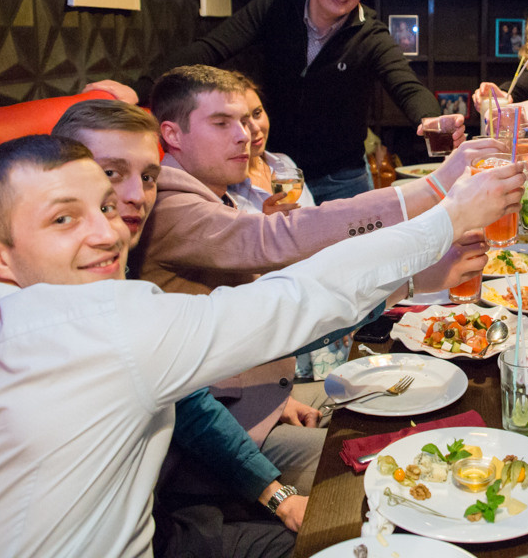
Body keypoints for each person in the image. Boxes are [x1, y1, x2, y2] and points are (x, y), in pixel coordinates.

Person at [0, 134, 521, 556]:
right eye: (63, 218)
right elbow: (297, 296)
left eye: (106, 206)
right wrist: (448, 216)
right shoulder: (106, 330)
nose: (109, 232)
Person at [0, 100, 311, 554]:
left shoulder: (110, 270)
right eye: (110, 175)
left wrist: (277, 496)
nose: (135, 196)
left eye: (148, 176)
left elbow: (187, 397)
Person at [136, 65, 497, 462]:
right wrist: (434, 192)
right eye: (221, 123)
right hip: (209, 444)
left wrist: (413, 281)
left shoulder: (212, 194)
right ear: (171, 134)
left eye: (245, 119)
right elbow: (282, 242)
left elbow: (290, 302)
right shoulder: (171, 205)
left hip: (263, 399)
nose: (244, 135)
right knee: (416, 456)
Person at [104, 0, 442, 204]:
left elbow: (405, 84)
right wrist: (137, 89)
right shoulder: (275, 8)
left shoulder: (371, 33)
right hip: (275, 173)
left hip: (342, 178)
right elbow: (210, 48)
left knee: (356, 274)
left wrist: (433, 120)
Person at [227, 72, 316, 214]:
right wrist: (267, 225)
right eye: (242, 121)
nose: (255, 128)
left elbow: (312, 219)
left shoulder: (284, 163)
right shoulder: (222, 191)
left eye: (257, 113)